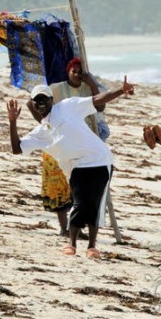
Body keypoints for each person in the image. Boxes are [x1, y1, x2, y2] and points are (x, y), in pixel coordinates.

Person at [6, 77, 135, 259]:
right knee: (79, 203)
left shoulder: (67, 106)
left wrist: (121, 90)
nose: (41, 103)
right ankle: (72, 244)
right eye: (37, 100)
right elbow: (17, 149)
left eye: (44, 99)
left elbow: (97, 100)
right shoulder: (40, 132)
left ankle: (92, 246)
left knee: (95, 204)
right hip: (75, 168)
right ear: (33, 105)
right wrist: (12, 122)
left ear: (52, 100)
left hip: (100, 160)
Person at [43, 58, 106, 237]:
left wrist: (92, 83)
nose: (77, 75)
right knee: (59, 186)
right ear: (68, 71)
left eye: (80, 72)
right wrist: (47, 127)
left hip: (85, 144)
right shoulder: (56, 88)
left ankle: (76, 226)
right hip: (61, 142)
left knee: (81, 188)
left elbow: (100, 106)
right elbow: (37, 105)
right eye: (74, 71)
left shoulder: (87, 90)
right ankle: (64, 228)